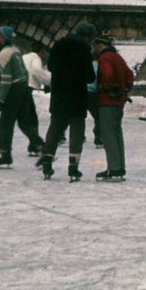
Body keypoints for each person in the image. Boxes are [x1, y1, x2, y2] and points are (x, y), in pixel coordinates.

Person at [37, 21, 96, 181]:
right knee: (76, 129)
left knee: (55, 127)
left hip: (59, 95)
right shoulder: (84, 48)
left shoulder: (59, 44)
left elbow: (50, 67)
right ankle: (73, 167)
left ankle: (47, 162)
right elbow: (90, 76)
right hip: (76, 96)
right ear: (86, 36)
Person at [0, 27, 43, 168]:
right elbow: (24, 72)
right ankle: (43, 148)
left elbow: (6, 80)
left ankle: (5, 153)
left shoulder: (4, 54)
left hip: (13, 91)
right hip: (23, 88)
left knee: (6, 122)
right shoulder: (16, 50)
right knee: (24, 122)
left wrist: (1, 99)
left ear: (3, 37)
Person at [92, 34, 135, 181]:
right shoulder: (118, 57)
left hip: (107, 101)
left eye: (96, 45)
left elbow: (107, 74)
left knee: (107, 135)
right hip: (119, 101)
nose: (95, 49)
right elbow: (130, 75)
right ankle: (119, 166)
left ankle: (114, 169)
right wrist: (124, 89)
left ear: (100, 45)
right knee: (117, 134)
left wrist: (106, 87)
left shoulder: (104, 58)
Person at [22, 44, 51, 157]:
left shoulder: (24, 57)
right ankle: (36, 145)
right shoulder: (36, 58)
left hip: (20, 85)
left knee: (28, 117)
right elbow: (36, 70)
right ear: (41, 52)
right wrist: (47, 82)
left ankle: (34, 144)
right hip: (26, 87)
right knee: (30, 119)